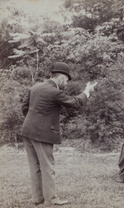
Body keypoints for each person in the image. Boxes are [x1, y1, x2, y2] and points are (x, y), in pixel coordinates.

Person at [20, 62, 97, 206]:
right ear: (61, 78)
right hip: (41, 134)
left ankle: (37, 198)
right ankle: (51, 200)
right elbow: (75, 103)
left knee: (34, 166)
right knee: (47, 167)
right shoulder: (54, 92)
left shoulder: (35, 87)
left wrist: (33, 121)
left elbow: (24, 107)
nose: (66, 84)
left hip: (27, 132)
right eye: (66, 80)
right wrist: (87, 91)